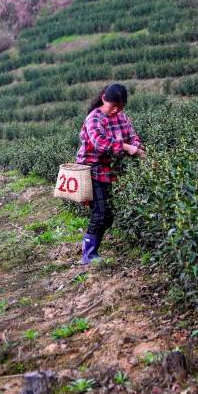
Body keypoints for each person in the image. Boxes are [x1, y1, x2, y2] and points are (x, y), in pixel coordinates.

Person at [76, 83, 145, 264]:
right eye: (113, 106)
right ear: (104, 99)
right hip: (94, 171)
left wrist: (137, 147)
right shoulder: (94, 119)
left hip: (113, 172)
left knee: (109, 214)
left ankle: (90, 251)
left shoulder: (122, 117)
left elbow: (132, 136)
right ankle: (88, 255)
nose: (116, 110)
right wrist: (126, 147)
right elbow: (100, 143)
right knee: (100, 213)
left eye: (120, 107)